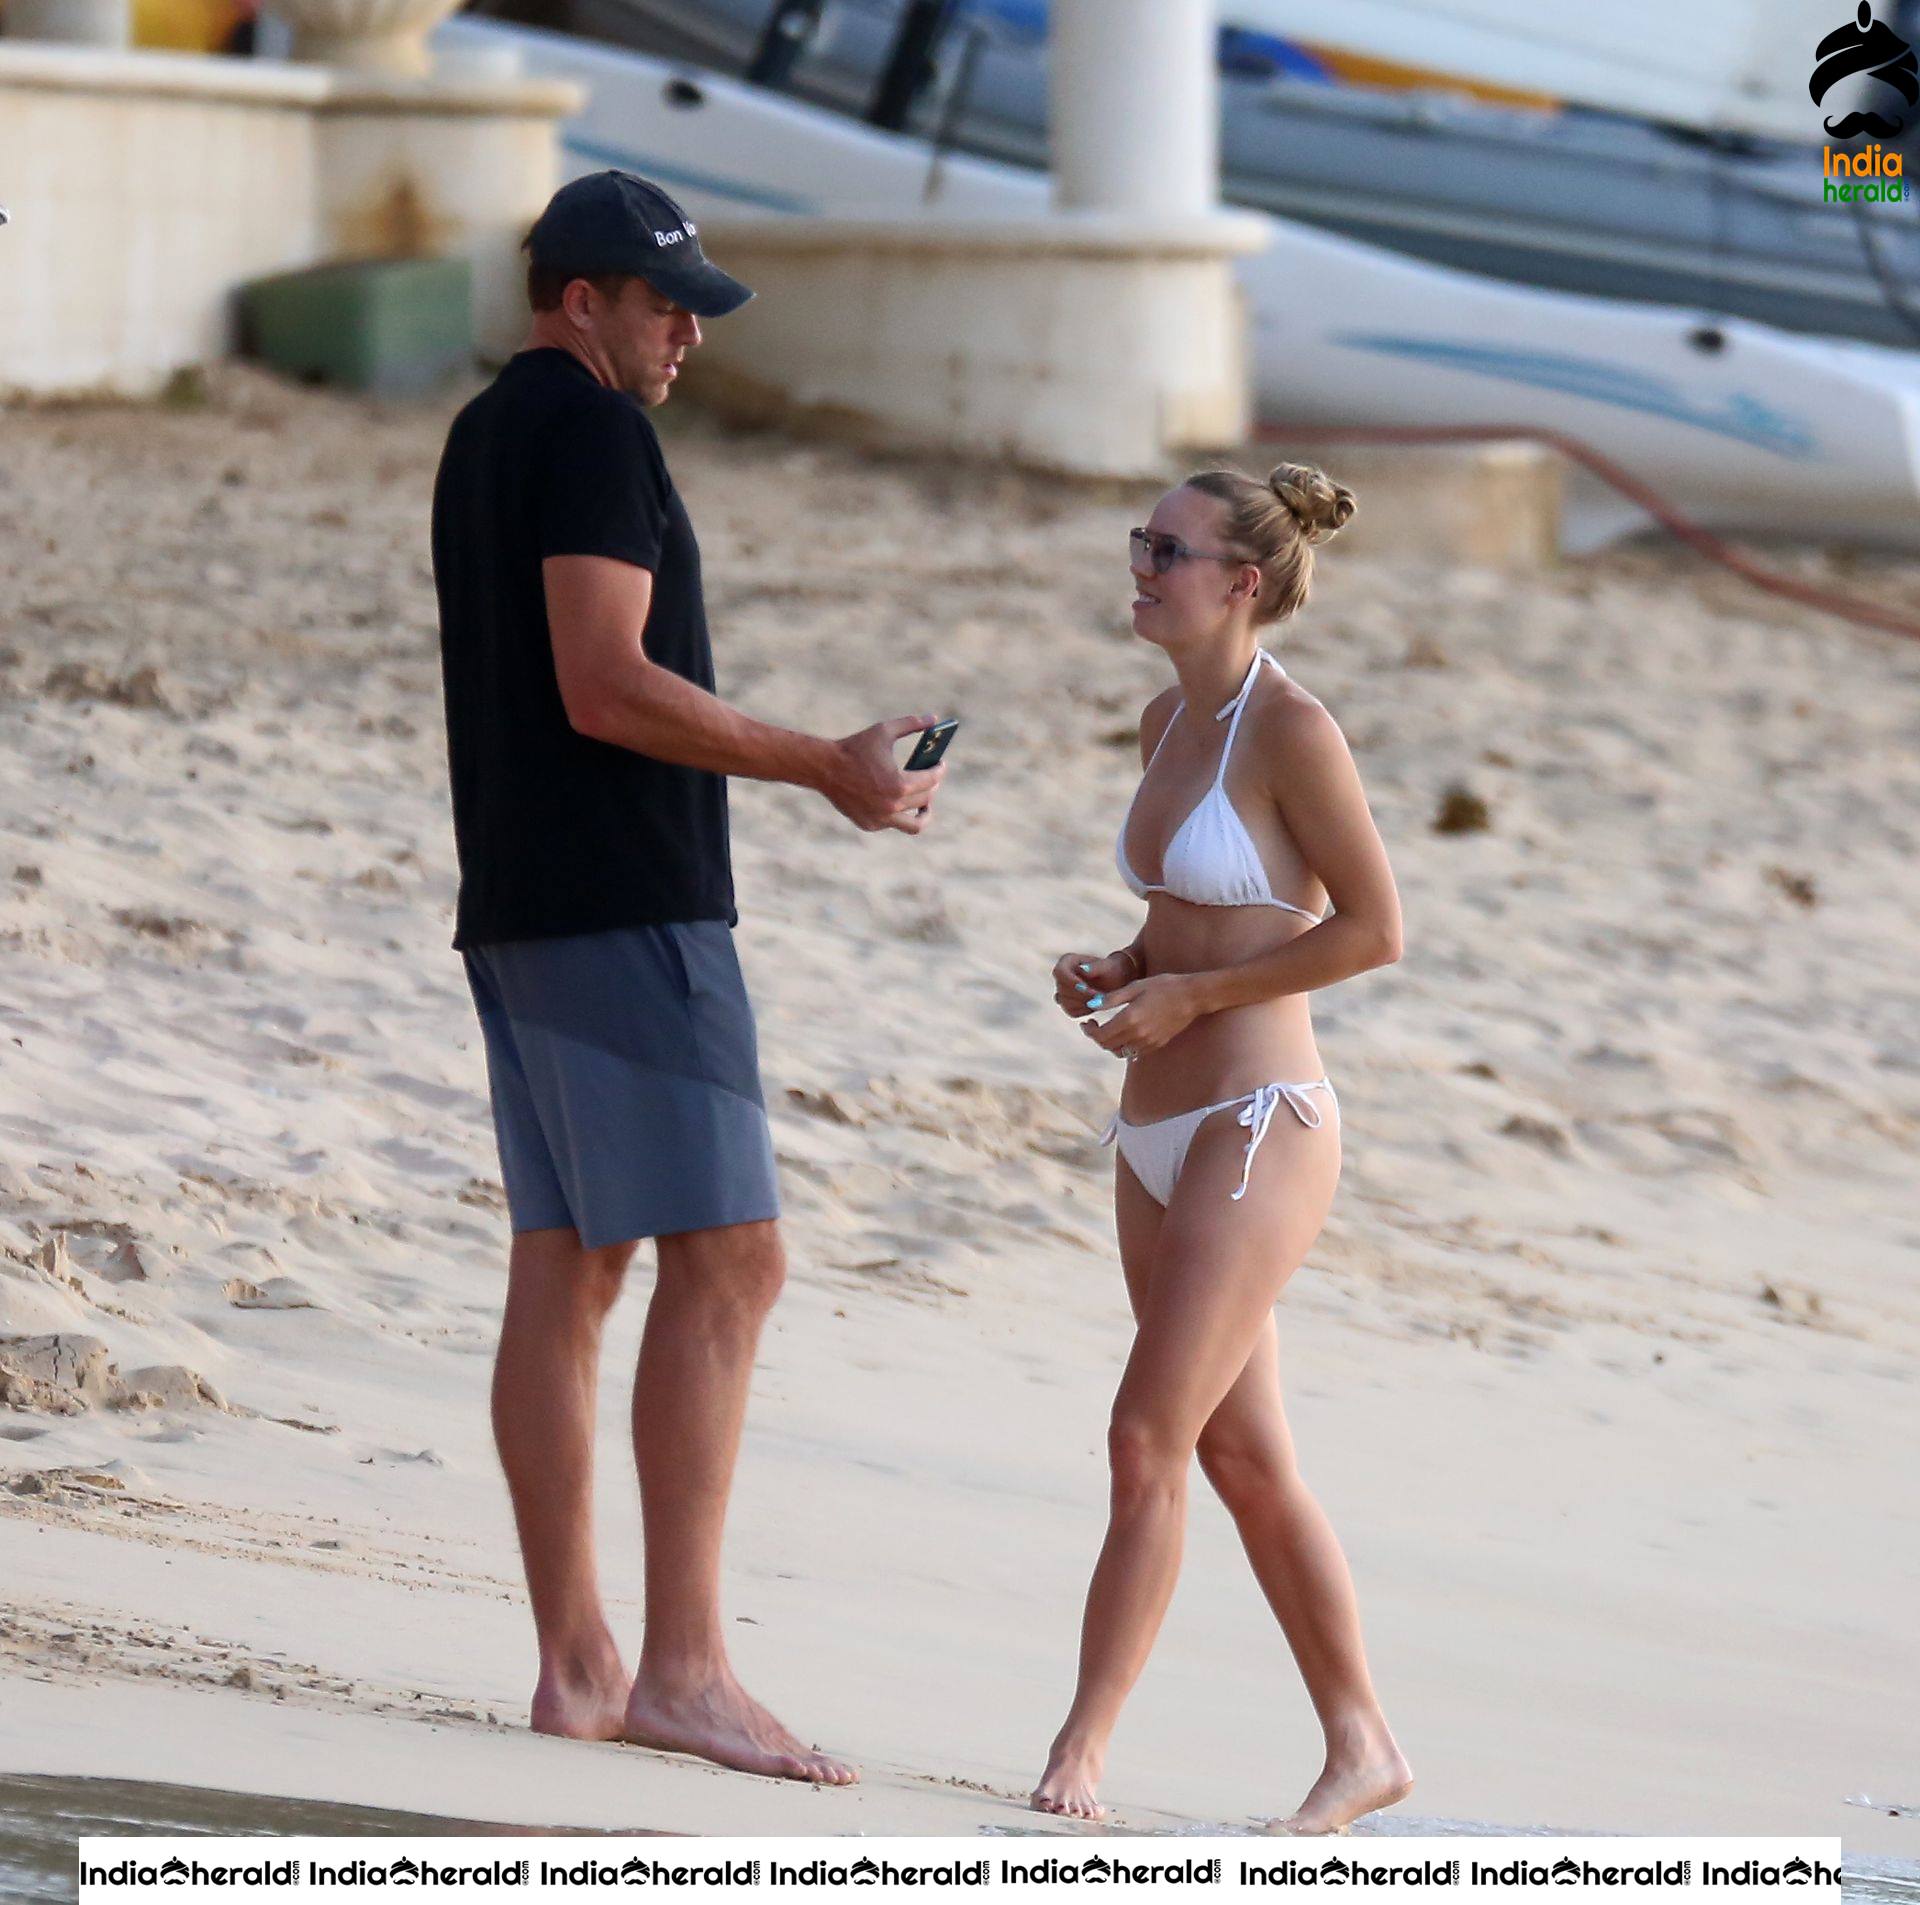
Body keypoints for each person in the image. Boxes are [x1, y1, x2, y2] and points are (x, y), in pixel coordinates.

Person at [429, 170, 945, 1785]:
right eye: (666, 310)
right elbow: (603, 682)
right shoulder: (588, 433)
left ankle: (583, 1668)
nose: (684, 341)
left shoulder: (482, 433)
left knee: (572, 1262)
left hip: (521, 896)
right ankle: (685, 1671)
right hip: (621, 905)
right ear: (579, 299)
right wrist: (826, 767)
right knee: (731, 1261)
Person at [1034, 464, 1410, 1834]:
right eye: (1140, 542)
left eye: (1170, 551)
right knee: (1244, 1459)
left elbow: (1372, 930)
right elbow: (1198, 916)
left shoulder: (1293, 728)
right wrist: (1128, 964)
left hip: (1260, 1123)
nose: (1141, 565)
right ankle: (1362, 1741)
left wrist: (1192, 998)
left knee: (1147, 1435)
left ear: (1242, 582)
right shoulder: (1164, 717)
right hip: (1152, 1131)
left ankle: (1081, 1748)